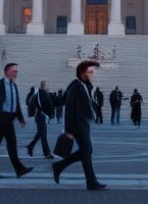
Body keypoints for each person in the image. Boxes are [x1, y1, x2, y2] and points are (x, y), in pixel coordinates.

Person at [51, 60, 106, 190]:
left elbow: (62, 100)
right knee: (87, 151)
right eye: (90, 72)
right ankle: (91, 182)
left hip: (84, 122)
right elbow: (69, 107)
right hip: (78, 124)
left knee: (86, 151)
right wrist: (69, 130)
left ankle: (59, 166)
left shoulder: (84, 85)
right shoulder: (76, 86)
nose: (92, 74)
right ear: (82, 73)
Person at [0, 63, 33, 179]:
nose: (16, 73)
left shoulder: (13, 85)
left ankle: (18, 169)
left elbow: (15, 103)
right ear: (6, 72)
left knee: (6, 143)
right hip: (1, 118)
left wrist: (20, 118)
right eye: (14, 71)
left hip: (8, 118)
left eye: (16, 71)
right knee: (3, 143)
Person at [26, 80, 55, 159]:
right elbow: (29, 102)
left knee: (41, 134)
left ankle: (32, 147)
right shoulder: (38, 95)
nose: (47, 87)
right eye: (46, 86)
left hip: (41, 116)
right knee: (42, 134)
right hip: (40, 116)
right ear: (43, 86)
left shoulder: (43, 95)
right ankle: (46, 153)